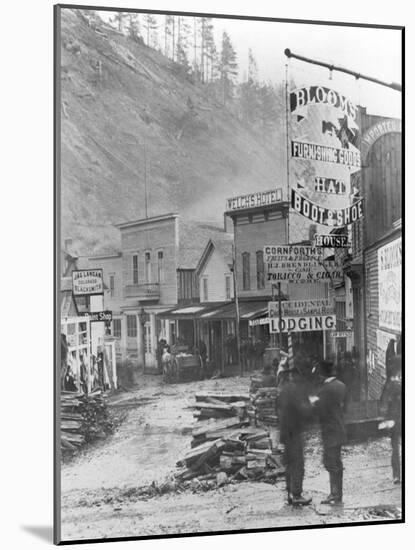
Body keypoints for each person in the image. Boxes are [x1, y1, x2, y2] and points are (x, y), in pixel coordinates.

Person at [277, 366, 313, 506]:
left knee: (289, 464)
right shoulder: (293, 390)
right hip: (294, 432)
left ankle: (289, 493)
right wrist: (311, 404)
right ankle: (297, 495)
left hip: (285, 433)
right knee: (298, 464)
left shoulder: (283, 391)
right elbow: (302, 410)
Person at [314, 359, 347, 505]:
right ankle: (337, 493)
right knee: (337, 463)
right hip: (340, 428)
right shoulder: (341, 385)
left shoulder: (325, 390)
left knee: (330, 463)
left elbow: (319, 410)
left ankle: (335, 494)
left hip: (330, 431)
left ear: (322, 374)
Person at [381, 355, 402, 484]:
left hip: (395, 420)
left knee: (395, 448)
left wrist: (386, 419)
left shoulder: (391, 383)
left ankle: (397, 475)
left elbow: (385, 402)